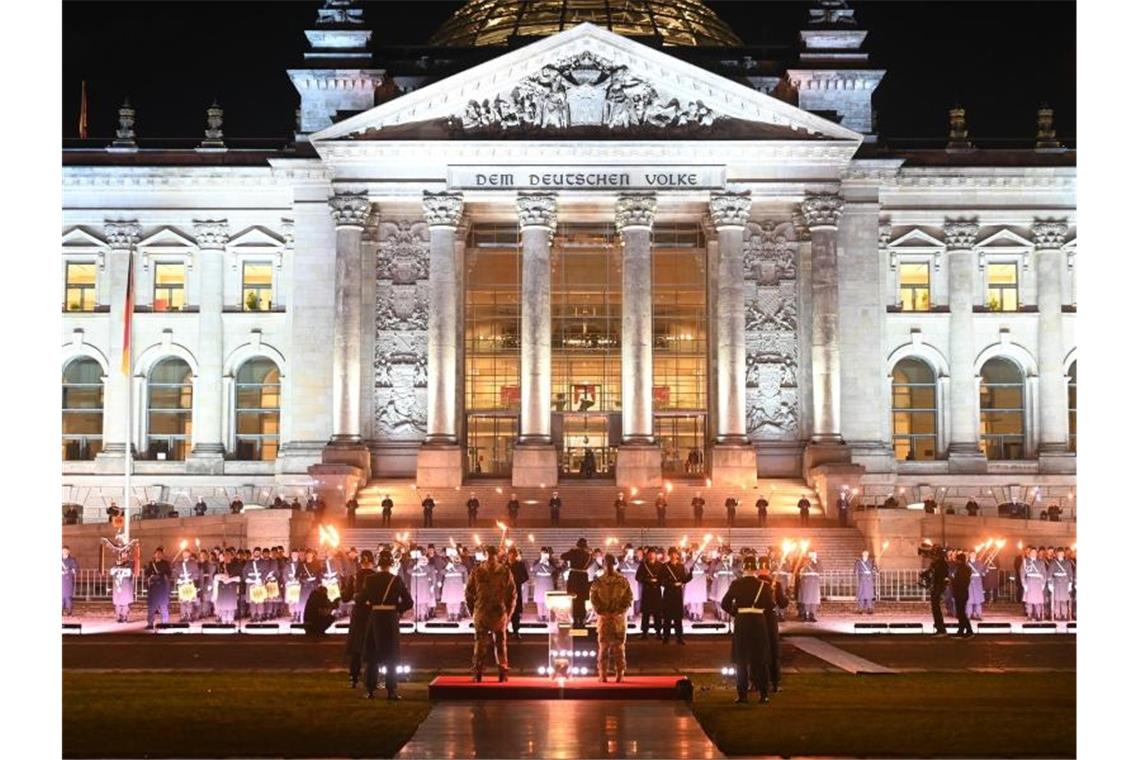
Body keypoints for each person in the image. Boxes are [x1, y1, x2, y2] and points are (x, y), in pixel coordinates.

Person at [358, 549, 415, 699]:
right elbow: (409, 602)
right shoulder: (396, 580)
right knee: (391, 656)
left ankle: (370, 690)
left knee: (372, 656)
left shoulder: (369, 580)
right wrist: (397, 609)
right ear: (391, 564)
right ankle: (391, 690)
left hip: (375, 617)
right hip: (390, 618)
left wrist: (371, 604)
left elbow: (360, 599)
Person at [720, 555, 773, 704]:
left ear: (744, 568)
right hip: (758, 621)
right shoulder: (764, 585)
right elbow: (771, 605)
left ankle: (742, 695)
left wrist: (735, 612)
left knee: (741, 660)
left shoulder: (736, 584)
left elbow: (724, 603)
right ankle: (763, 694)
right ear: (755, 569)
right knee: (761, 660)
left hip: (742, 622)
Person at [465, 545, 517, 682]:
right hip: (485, 611)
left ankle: (499, 671)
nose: (491, 559)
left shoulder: (503, 571)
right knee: (484, 644)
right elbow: (469, 593)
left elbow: (512, 594)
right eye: (489, 555)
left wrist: (508, 614)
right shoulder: (478, 571)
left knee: (496, 643)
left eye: (492, 556)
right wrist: (474, 611)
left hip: (495, 612)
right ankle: (481, 671)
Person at [590, 554, 634, 682]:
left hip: (615, 618)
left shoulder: (620, 580)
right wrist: (603, 611)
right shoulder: (601, 581)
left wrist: (618, 611)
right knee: (607, 648)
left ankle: (616, 674)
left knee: (615, 648)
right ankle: (605, 674)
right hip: (609, 618)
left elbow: (628, 597)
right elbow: (594, 598)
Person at [345, 550, 378, 688]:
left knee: (356, 647)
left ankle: (354, 677)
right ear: (372, 562)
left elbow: (346, 597)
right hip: (371, 613)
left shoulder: (354, 577)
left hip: (358, 614)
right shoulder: (376, 577)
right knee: (372, 645)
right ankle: (372, 679)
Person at [757, 558, 789, 692]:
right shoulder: (775, 584)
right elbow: (782, 603)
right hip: (769, 619)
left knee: (757, 650)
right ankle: (774, 682)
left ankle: (755, 681)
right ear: (768, 569)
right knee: (772, 650)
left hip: (757, 617)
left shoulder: (754, 583)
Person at [660, 548, 692, 644]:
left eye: (675, 554)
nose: (674, 556)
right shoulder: (665, 566)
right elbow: (661, 580)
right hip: (669, 593)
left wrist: (690, 574)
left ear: (677, 555)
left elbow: (684, 579)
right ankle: (666, 638)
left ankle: (679, 638)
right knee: (667, 617)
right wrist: (671, 584)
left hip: (677, 594)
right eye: (672, 554)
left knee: (678, 617)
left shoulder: (681, 567)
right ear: (669, 555)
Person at [561, 538, 592, 629]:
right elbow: (590, 564)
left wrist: (571, 551)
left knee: (574, 600)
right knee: (582, 601)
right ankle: (582, 620)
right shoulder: (588, 555)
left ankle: (575, 620)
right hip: (583, 577)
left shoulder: (573, 552)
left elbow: (563, 556)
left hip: (574, 577)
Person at [636, 548, 664, 640]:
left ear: (655, 555)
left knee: (657, 613)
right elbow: (638, 577)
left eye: (653, 554)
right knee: (646, 613)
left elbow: (663, 578)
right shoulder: (643, 565)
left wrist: (658, 581)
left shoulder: (660, 565)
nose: (651, 555)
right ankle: (644, 632)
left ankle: (659, 632)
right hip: (647, 590)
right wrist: (646, 580)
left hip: (656, 591)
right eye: (650, 554)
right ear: (647, 555)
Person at [144, 547, 172, 629]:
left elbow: (168, 574)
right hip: (153, 588)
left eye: (160, 554)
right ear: (154, 555)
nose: (158, 555)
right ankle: (150, 623)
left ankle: (165, 623)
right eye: (157, 553)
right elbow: (147, 573)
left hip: (162, 588)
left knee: (163, 606)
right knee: (151, 607)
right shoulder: (151, 564)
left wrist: (162, 575)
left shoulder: (166, 564)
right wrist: (151, 576)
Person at [925, 546, 949, 635]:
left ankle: (941, 629)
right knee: (935, 609)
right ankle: (939, 627)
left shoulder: (941, 563)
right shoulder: (937, 563)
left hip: (938, 587)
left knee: (936, 608)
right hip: (935, 587)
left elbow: (940, 576)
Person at [213, 549, 242, 625]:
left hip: (231, 588)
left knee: (230, 606)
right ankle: (223, 620)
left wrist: (230, 579)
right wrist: (221, 576)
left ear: (232, 556)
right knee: (222, 606)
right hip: (222, 588)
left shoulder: (236, 565)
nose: (226, 557)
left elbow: (240, 578)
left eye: (228, 555)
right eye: (225, 555)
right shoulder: (219, 565)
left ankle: (230, 620)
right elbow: (214, 576)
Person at [710, 548, 738, 622]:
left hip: (729, 586)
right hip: (721, 586)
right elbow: (713, 572)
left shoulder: (732, 565)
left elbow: (736, 573)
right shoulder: (719, 564)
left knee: (729, 601)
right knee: (720, 601)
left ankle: (727, 616)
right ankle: (722, 615)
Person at [507, 546, 529, 640]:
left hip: (516, 591)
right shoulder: (505, 565)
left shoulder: (520, 565)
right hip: (505, 592)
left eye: (514, 554)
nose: (512, 556)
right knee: (505, 611)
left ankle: (516, 631)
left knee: (515, 612)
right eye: (510, 554)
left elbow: (526, 576)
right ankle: (504, 630)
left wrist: (517, 581)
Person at [440, 550, 469, 621]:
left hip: (458, 586)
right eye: (452, 557)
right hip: (448, 586)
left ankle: (456, 615)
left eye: (456, 557)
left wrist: (465, 584)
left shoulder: (462, 567)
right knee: (449, 601)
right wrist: (448, 567)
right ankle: (450, 615)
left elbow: (465, 575)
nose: (454, 559)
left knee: (457, 601)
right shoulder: (447, 566)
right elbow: (442, 572)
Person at [1020, 548, 1047, 621]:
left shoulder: (1041, 562)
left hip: (1038, 583)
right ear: (1030, 553)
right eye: (1032, 552)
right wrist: (1024, 584)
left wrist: (1043, 583)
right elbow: (1022, 573)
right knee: (1029, 600)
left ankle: (1038, 615)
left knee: (1038, 601)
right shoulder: (1026, 562)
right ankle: (1029, 614)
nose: (1033, 553)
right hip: (1029, 582)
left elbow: (1044, 573)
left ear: (1037, 553)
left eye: (1035, 552)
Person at [951, 552, 974, 638]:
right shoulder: (965, 568)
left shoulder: (962, 569)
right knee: (961, 613)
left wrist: (952, 580)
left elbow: (960, 581)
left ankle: (966, 630)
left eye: (957, 559)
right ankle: (965, 630)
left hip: (960, 593)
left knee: (961, 613)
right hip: (963, 592)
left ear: (959, 560)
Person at [175, 547, 200, 622]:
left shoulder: (193, 562)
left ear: (189, 554)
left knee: (189, 601)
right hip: (182, 584)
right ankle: (183, 616)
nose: (185, 554)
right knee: (182, 601)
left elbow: (196, 573)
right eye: (184, 553)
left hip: (189, 583)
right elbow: (175, 573)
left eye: (187, 553)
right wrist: (178, 579)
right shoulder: (178, 563)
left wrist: (191, 578)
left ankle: (189, 615)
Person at [110, 549, 135, 623]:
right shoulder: (116, 563)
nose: (124, 555)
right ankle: (118, 617)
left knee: (125, 602)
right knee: (118, 602)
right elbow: (112, 571)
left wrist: (121, 567)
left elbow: (129, 571)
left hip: (126, 585)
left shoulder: (130, 563)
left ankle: (124, 617)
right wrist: (117, 566)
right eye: (123, 554)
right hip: (118, 585)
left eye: (125, 554)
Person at [531, 548, 556, 621]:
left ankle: (548, 616)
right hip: (539, 581)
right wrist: (541, 562)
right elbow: (534, 569)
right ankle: (540, 615)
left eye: (545, 553)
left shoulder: (551, 561)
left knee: (547, 599)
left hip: (548, 581)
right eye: (542, 553)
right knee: (539, 599)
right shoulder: (537, 561)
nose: (544, 554)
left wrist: (547, 564)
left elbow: (553, 570)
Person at [1049, 548, 1074, 621]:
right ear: (1057, 554)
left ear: (1063, 554)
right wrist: (1050, 583)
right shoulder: (1053, 563)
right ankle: (1057, 615)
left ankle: (1064, 614)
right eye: (1059, 553)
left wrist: (1070, 583)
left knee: (1064, 600)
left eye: (1062, 553)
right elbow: (1050, 574)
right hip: (1056, 583)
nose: (1060, 555)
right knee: (1057, 600)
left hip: (1065, 583)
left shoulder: (1067, 563)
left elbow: (1070, 574)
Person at [684, 550, 709, 621]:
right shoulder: (690, 562)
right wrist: (692, 559)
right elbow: (686, 566)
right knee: (693, 600)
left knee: (699, 601)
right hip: (692, 584)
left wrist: (701, 561)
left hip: (700, 584)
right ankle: (693, 614)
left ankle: (699, 615)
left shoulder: (702, 563)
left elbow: (708, 568)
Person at [797, 551, 822, 622]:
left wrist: (815, 562)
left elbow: (820, 570)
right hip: (806, 581)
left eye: (814, 554)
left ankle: (812, 614)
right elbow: (802, 569)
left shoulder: (818, 561)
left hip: (814, 582)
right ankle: (805, 614)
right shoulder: (804, 560)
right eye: (811, 554)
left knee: (814, 599)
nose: (813, 555)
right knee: (806, 599)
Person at [618, 545, 641, 621]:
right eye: (627, 552)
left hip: (633, 584)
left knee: (631, 600)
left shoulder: (636, 564)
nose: (629, 554)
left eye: (630, 552)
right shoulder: (620, 563)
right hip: (623, 585)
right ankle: (624, 615)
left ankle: (631, 615)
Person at [62, 546, 78, 616]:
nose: (65, 552)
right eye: (63, 550)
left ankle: (69, 610)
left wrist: (69, 571)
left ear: (69, 551)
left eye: (66, 550)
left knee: (68, 596)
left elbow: (76, 569)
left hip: (68, 580)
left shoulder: (72, 560)